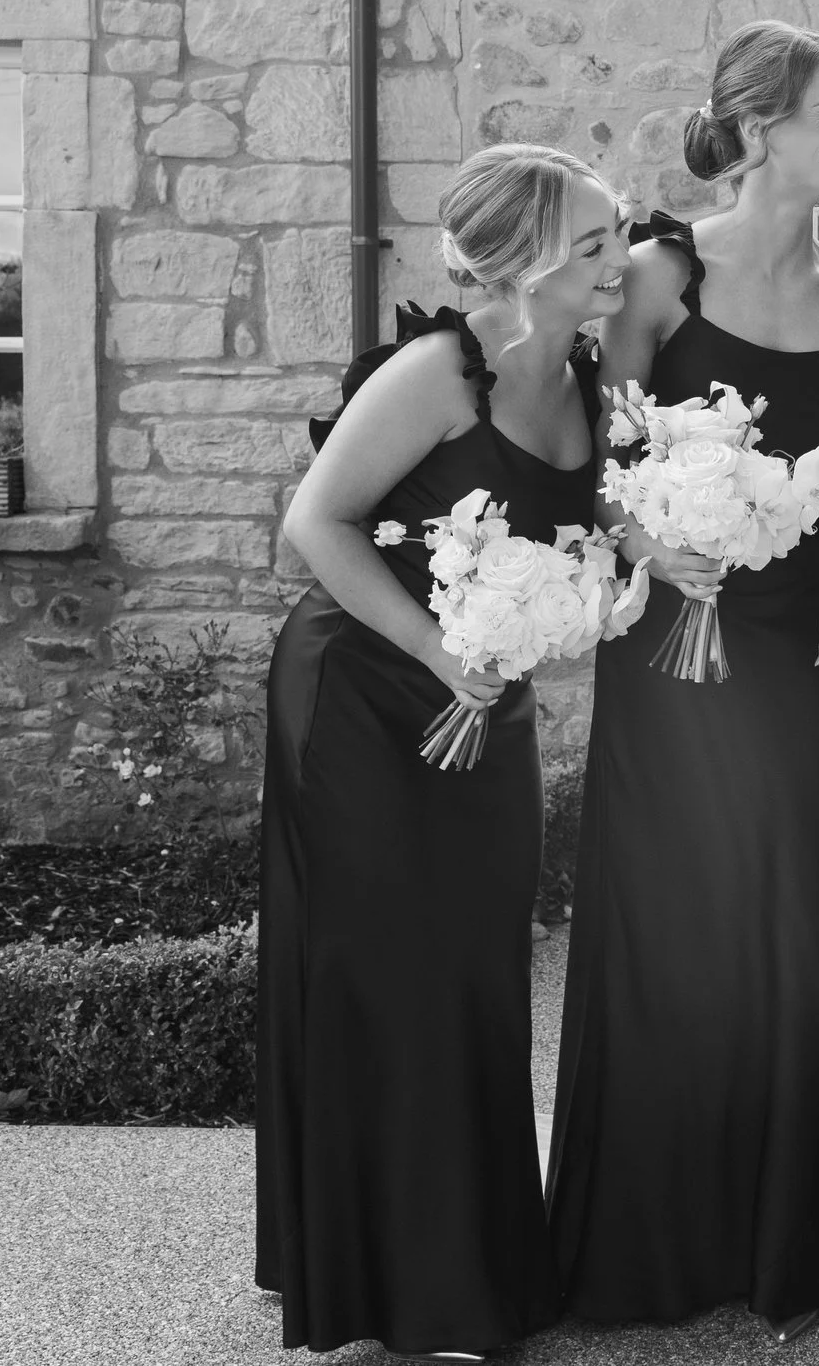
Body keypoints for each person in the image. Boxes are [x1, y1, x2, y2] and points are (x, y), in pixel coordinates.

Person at [545, 20, 819, 1344]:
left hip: (798, 644)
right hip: (674, 632)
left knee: (780, 908)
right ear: (756, 133)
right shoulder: (657, 271)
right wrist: (646, 537)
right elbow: (592, 446)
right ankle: (649, 1234)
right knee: (666, 910)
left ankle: (783, 1234)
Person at [258, 142, 623, 1359]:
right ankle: (406, 1291)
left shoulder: (585, 371)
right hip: (364, 687)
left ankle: (471, 1251)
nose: (620, 263)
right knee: (389, 968)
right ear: (520, 264)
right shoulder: (434, 370)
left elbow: (590, 531)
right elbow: (315, 519)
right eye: (594, 245)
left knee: (474, 958)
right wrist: (434, 647)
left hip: (485, 693)